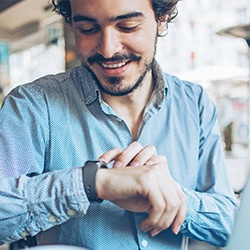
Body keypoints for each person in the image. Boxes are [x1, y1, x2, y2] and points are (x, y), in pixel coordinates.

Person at [0, 0, 238, 249]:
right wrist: (92, 183)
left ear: (162, 18)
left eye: (127, 26)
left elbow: (230, 223)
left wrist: (169, 196)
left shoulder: (195, 104)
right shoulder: (32, 106)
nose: (108, 50)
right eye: (88, 29)